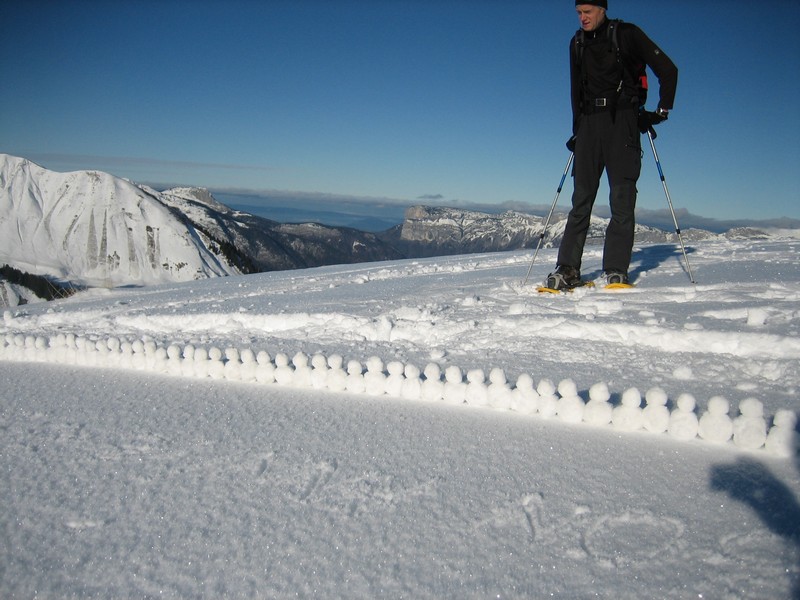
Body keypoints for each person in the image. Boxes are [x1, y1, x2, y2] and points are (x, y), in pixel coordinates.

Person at [545, 0, 678, 290]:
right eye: (579, 13)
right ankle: (567, 269)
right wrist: (577, 128)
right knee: (580, 200)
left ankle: (616, 270)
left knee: (621, 199)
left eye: (588, 12)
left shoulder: (627, 33)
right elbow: (575, 88)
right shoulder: (577, 42)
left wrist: (661, 111)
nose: (582, 18)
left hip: (623, 123)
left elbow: (668, 69)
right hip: (589, 126)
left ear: (602, 9)